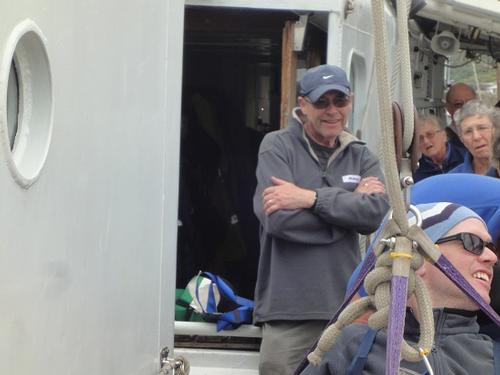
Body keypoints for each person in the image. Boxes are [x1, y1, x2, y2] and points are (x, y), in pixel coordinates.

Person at [252, 64, 390, 374]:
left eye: (339, 102)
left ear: (350, 102)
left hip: (345, 306)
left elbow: (374, 215)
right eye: (321, 102)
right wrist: (347, 208)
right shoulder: (277, 146)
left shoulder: (361, 154)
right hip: (288, 309)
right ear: (303, 105)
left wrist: (309, 198)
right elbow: (279, 222)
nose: (332, 111)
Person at [301, 202, 499, 374]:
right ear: (416, 258)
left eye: (491, 247)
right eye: (473, 243)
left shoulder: (494, 357)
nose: (492, 257)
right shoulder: (353, 346)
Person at [448, 99, 499, 177]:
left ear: (497, 130)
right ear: (461, 139)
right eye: (468, 132)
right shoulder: (453, 179)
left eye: (482, 128)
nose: (476, 137)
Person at [413, 114, 465, 182]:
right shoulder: (416, 168)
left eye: (430, 135)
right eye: (420, 138)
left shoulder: (466, 158)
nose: (425, 141)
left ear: (444, 135)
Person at [444, 82, 476, 148]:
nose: (466, 108)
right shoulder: (443, 142)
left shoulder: (489, 134)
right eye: (458, 104)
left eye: (471, 103)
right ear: (448, 108)